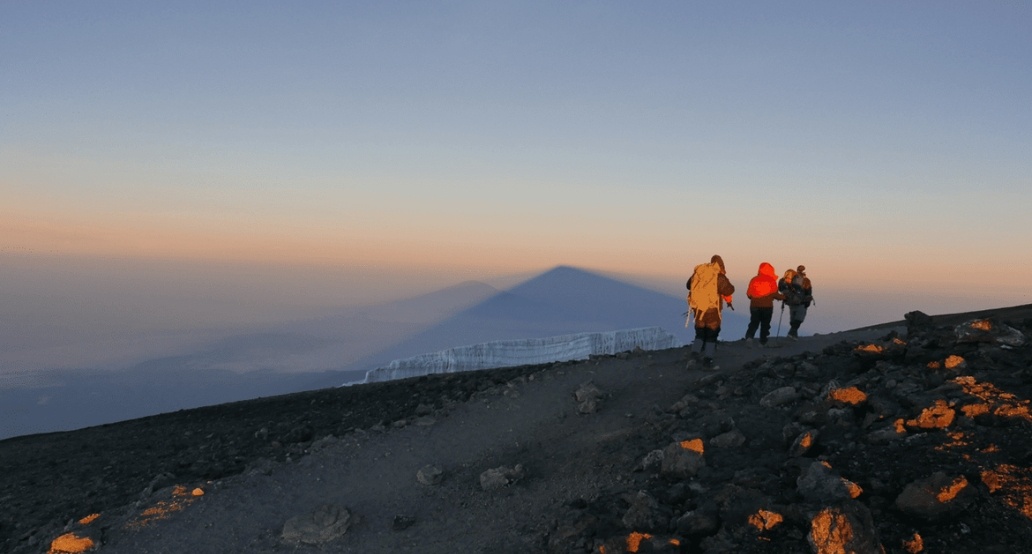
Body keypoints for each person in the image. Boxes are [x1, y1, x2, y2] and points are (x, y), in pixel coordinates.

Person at [685, 254, 735, 369]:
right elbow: (729, 290)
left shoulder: (699, 272)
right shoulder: (718, 276)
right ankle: (707, 361)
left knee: (700, 333)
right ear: (721, 264)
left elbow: (688, 285)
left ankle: (693, 357)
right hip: (712, 310)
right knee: (711, 335)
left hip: (698, 309)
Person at [744, 262, 784, 347]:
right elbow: (775, 294)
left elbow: (749, 294)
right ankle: (762, 342)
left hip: (754, 305)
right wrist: (784, 297)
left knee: (754, 322)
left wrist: (755, 298)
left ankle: (749, 338)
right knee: (765, 324)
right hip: (767, 306)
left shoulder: (754, 279)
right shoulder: (771, 280)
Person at [778, 265, 814, 339]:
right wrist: (808, 302)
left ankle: (793, 336)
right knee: (798, 319)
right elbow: (808, 292)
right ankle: (791, 334)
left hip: (791, 302)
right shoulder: (806, 280)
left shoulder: (787, 280)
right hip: (801, 302)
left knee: (793, 320)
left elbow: (781, 289)